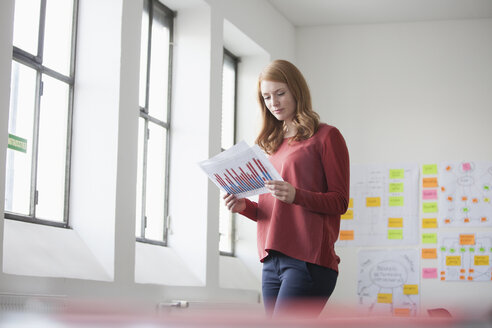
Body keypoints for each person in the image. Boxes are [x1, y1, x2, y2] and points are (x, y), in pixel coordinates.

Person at [223, 59, 350, 317]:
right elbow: (274, 210)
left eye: (280, 93)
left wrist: (297, 195)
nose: (274, 103)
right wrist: (244, 207)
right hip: (271, 259)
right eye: (267, 97)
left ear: (297, 91)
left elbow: (340, 202)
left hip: (309, 260)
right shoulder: (272, 146)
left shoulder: (327, 136)